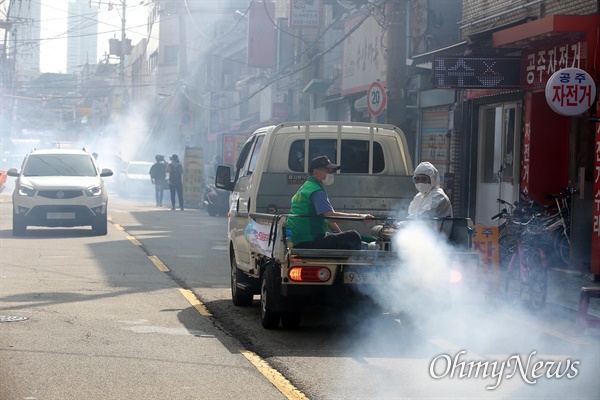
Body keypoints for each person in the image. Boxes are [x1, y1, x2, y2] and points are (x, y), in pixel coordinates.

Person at [287, 155, 374, 250]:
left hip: (297, 240)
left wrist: (341, 236)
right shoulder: (316, 191)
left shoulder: (306, 186)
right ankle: (370, 249)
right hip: (309, 240)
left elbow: (327, 219)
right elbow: (331, 216)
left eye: (332, 171)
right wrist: (360, 217)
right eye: (328, 170)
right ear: (316, 172)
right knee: (353, 236)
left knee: (343, 238)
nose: (331, 173)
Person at [407, 161, 453, 235]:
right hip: (421, 235)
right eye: (417, 179)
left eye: (424, 179)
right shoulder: (419, 197)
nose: (420, 182)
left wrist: (403, 224)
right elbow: (411, 214)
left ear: (432, 180)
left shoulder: (438, 196)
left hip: (436, 239)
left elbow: (424, 215)